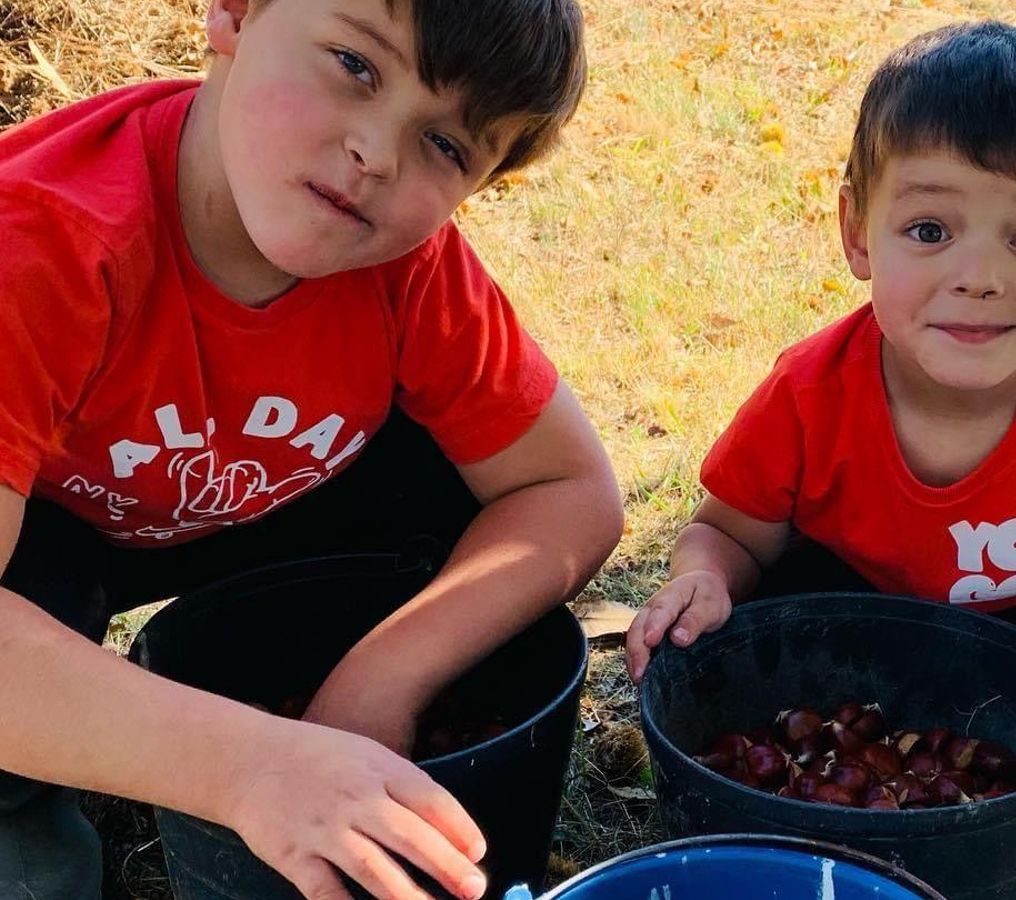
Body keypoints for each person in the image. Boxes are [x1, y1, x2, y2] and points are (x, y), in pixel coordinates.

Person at [0, 1, 622, 898]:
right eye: (355, 66)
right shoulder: (43, 241)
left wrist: (380, 678)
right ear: (233, 13)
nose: (376, 152)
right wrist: (244, 766)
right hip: (41, 529)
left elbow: (568, 489)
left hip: (234, 490)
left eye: (446, 146)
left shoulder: (408, 270)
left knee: (449, 484)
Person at [625, 20, 1016, 869]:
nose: (978, 276)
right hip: (849, 630)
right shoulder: (808, 393)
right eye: (931, 229)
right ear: (858, 232)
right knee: (759, 623)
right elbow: (728, 534)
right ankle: (830, 789)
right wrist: (701, 580)